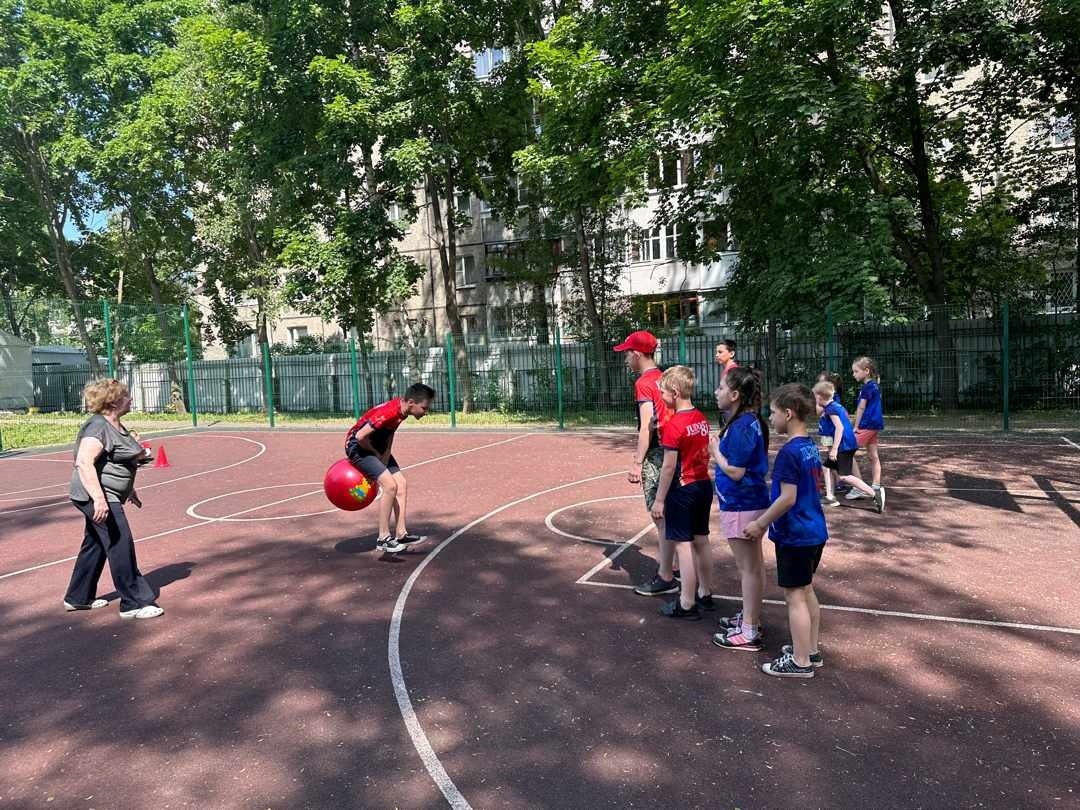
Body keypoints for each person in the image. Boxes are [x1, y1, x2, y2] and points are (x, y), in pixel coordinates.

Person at [743, 384, 827, 678]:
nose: (771, 417)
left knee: (794, 596)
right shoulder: (809, 446)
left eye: (774, 412)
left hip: (796, 534)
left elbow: (787, 498)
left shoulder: (789, 453)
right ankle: (810, 649)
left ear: (788, 414)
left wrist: (760, 523)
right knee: (806, 589)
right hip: (814, 530)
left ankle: (800, 661)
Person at [65, 378, 162, 620]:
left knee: (96, 544)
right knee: (119, 542)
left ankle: (78, 597)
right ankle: (134, 602)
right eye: (126, 395)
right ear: (114, 401)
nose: (130, 399)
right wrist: (99, 499)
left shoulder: (116, 425)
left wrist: (128, 489)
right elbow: (84, 462)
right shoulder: (97, 427)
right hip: (95, 494)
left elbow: (115, 461)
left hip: (110, 493)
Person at [613, 330, 678, 597]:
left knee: (659, 514)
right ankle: (677, 567)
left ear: (638, 354)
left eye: (627, 353)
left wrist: (637, 462)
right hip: (674, 449)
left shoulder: (644, 383)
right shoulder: (666, 377)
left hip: (657, 452)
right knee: (673, 514)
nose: (626, 358)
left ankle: (666, 575)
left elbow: (646, 426)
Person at [710, 367, 771, 651]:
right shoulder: (747, 421)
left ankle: (749, 630)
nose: (717, 392)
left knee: (748, 569)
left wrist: (715, 452)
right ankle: (750, 618)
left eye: (721, 388)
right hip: (748, 501)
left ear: (734, 395)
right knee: (753, 566)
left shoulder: (742, 426)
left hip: (741, 503)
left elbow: (735, 471)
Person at [650, 365, 715, 620]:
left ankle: (686, 602)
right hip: (703, 484)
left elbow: (668, 467)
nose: (661, 397)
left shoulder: (674, 424)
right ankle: (705, 592)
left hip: (683, 488)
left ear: (675, 392)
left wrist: (659, 500)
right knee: (702, 540)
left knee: (683, 545)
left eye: (663, 392)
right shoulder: (700, 418)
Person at [345, 383, 435, 553]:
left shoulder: (402, 412)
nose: (426, 412)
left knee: (401, 484)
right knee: (390, 485)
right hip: (358, 447)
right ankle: (383, 538)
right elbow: (360, 436)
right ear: (411, 403)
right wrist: (375, 454)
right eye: (424, 408)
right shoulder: (389, 412)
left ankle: (401, 533)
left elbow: (389, 433)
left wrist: (385, 455)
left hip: (376, 446)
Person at [813, 380, 882, 513]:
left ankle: (874, 494)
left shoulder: (831, 409)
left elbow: (839, 428)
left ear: (820, 397)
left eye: (815, 396)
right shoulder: (836, 406)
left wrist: (834, 449)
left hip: (844, 446)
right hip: (847, 444)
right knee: (827, 467)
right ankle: (830, 497)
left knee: (844, 476)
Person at [847, 356, 885, 503]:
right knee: (873, 456)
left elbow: (861, 408)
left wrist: (855, 426)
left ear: (866, 371)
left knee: (846, 452)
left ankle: (859, 487)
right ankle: (876, 486)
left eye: (856, 371)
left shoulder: (867, 387)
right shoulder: (874, 385)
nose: (854, 374)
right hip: (874, 425)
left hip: (867, 425)